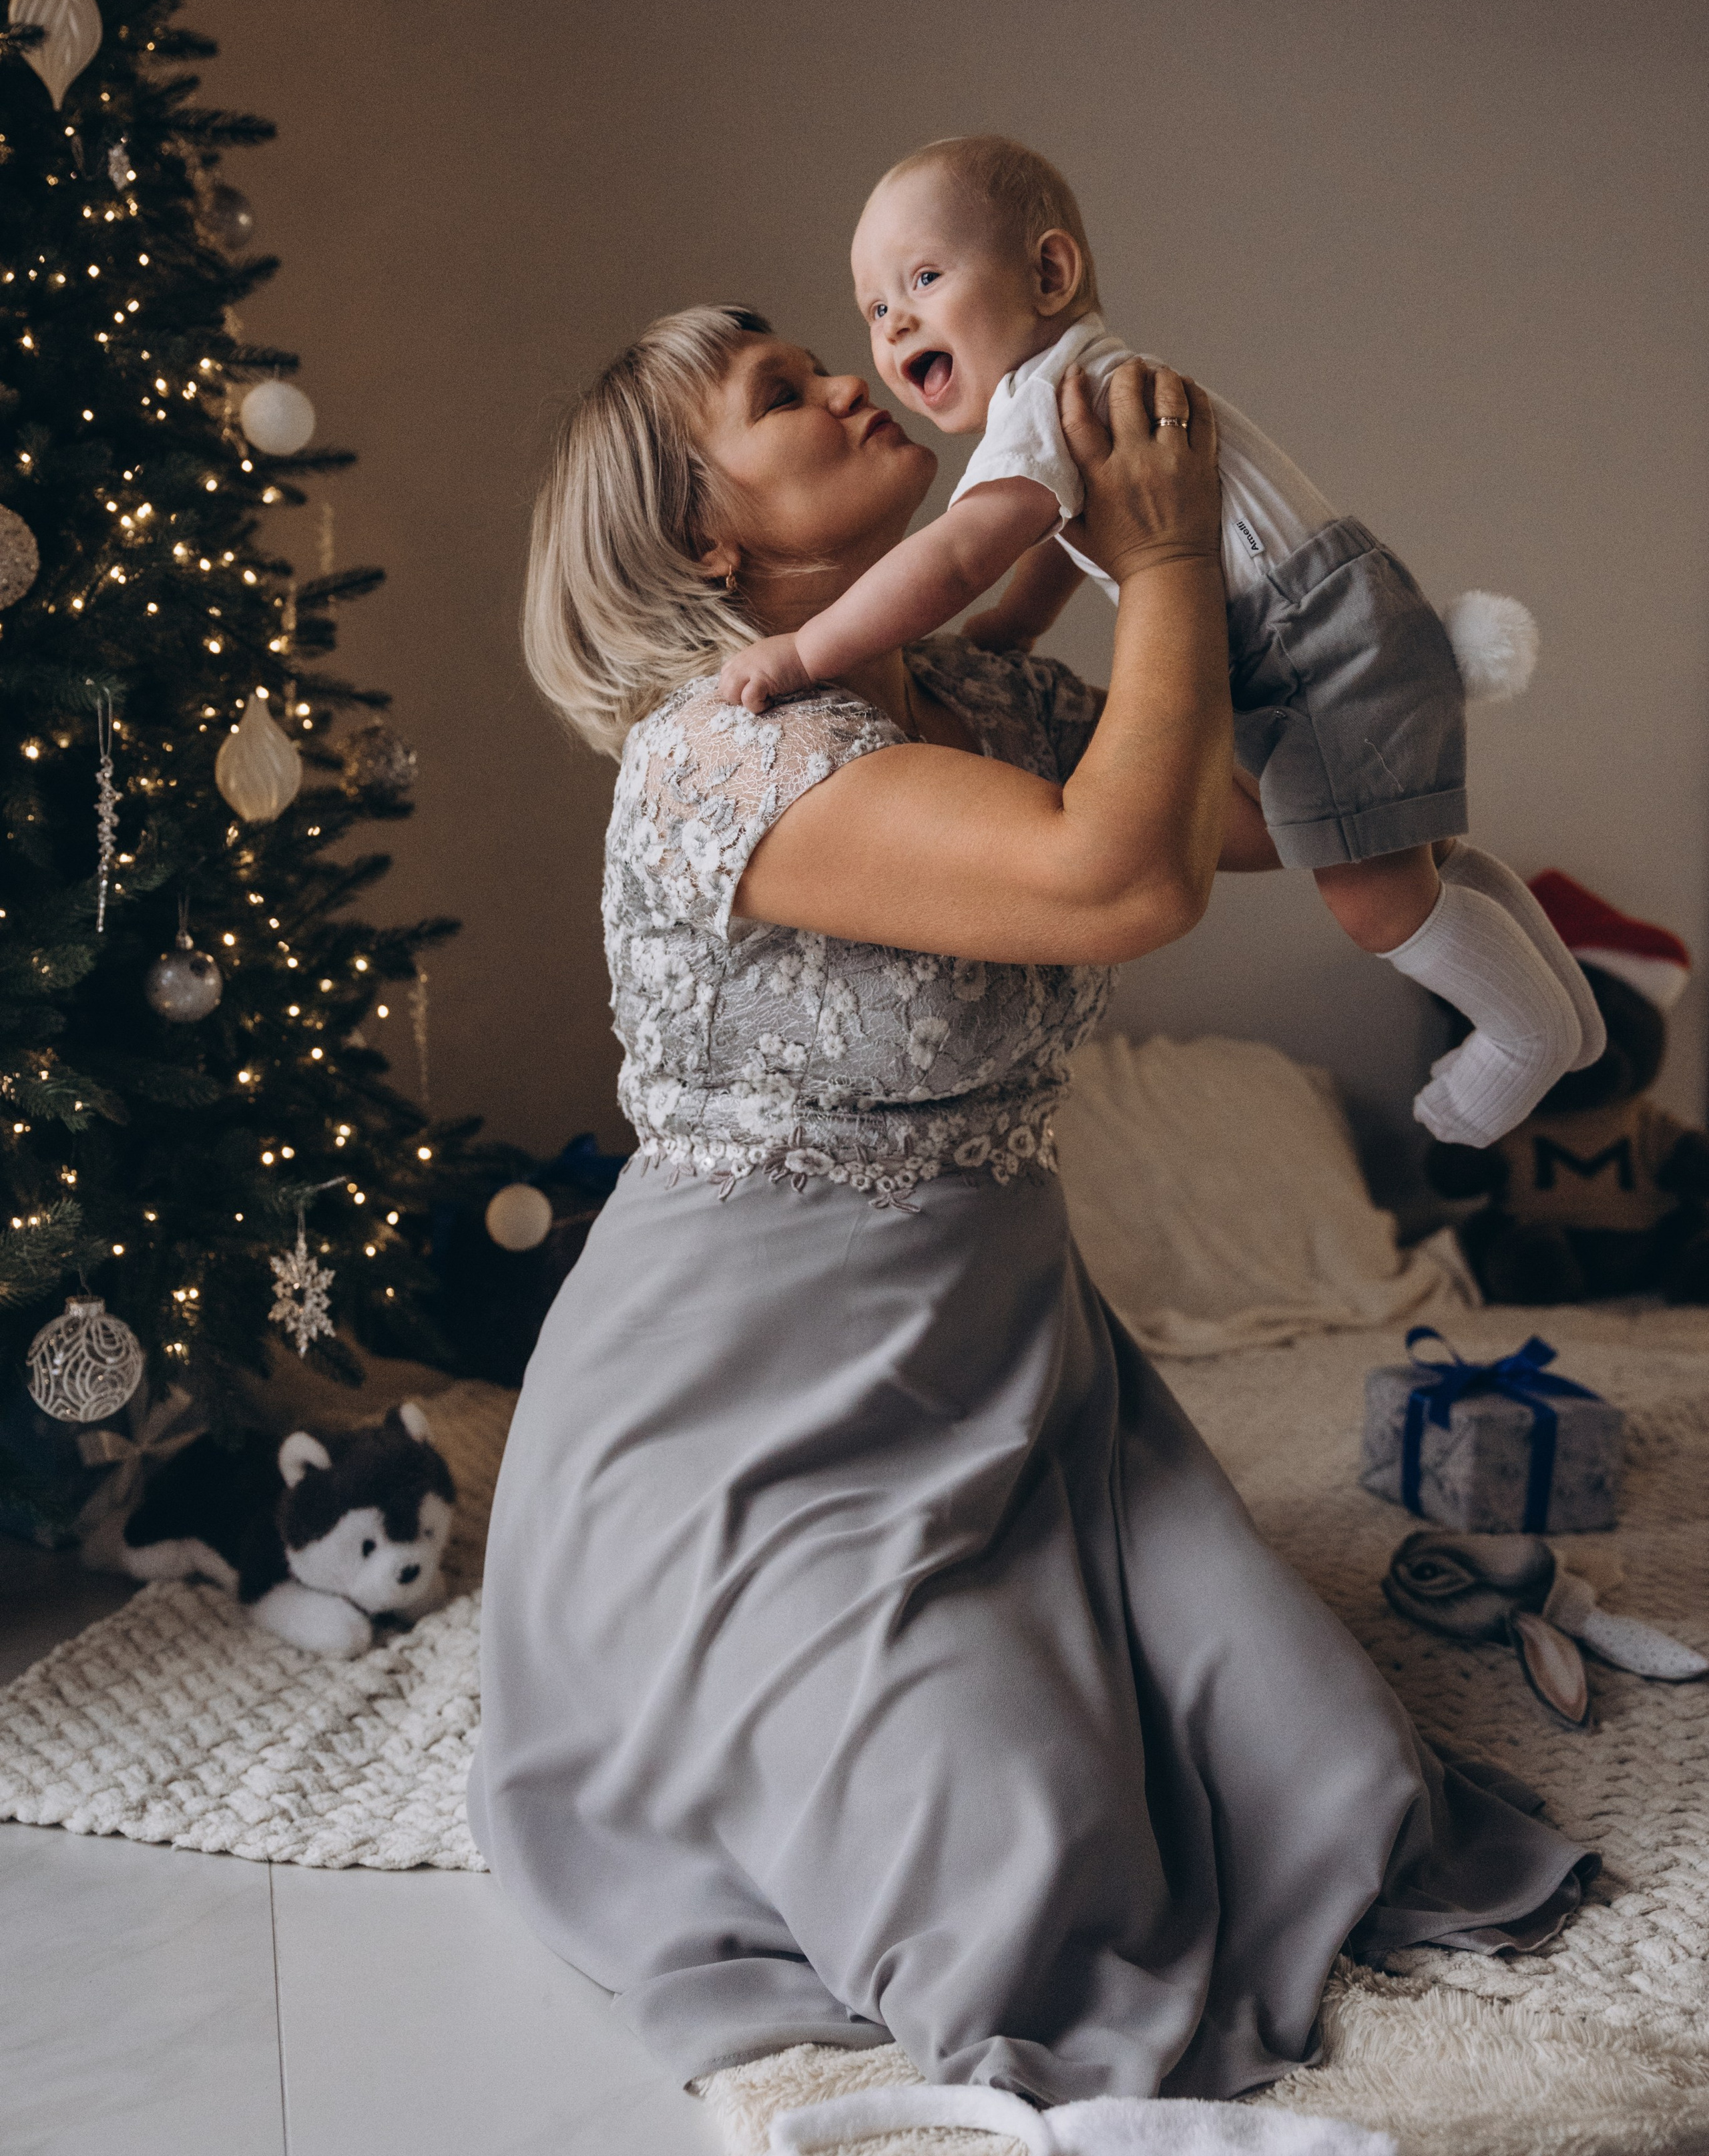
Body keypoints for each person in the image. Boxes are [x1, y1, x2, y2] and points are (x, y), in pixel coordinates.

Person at [469, 303, 1593, 2125]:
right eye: (782, 393)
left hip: (1010, 1363)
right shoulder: (720, 758)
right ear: (705, 536)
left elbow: (1247, 822)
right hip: (740, 1419)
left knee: (1324, 1770)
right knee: (1022, 1868)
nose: (849, 376)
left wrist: (1265, 570)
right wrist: (1147, 559)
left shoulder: (978, 693)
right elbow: (1123, 880)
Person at [716, 138, 1604, 1150]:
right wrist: (1020, 624)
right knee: (1416, 855)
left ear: (1049, 273)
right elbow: (1065, 536)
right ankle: (1565, 1016)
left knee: (1368, 895)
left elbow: (959, 558)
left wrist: (800, 654)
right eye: (876, 308)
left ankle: (1523, 1038)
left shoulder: (1038, 403)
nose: (892, 326)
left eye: (923, 279)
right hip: (1343, 621)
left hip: (1312, 645)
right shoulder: (1081, 389)